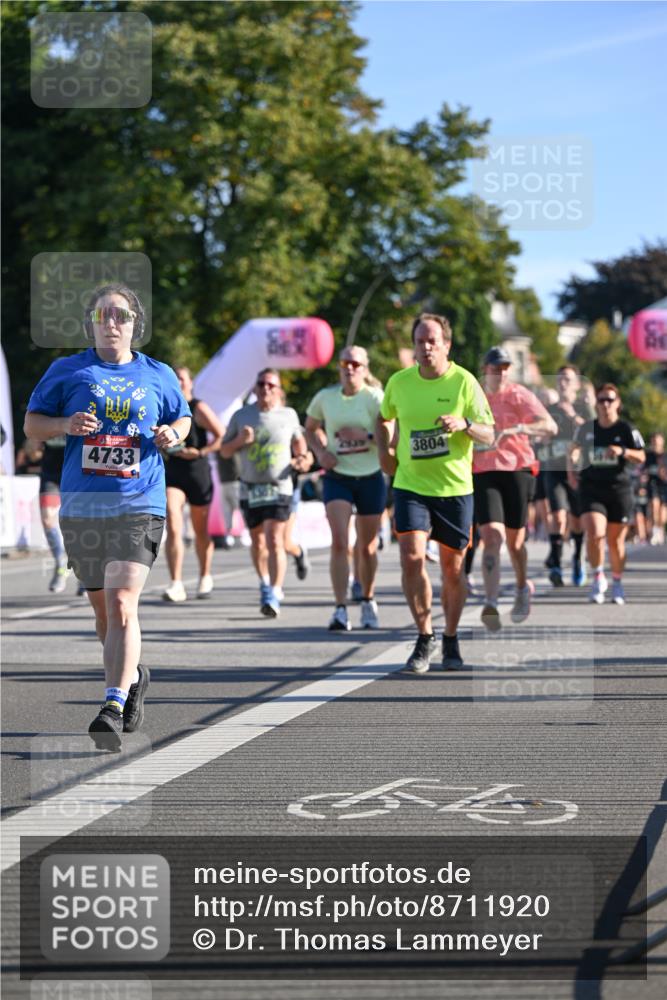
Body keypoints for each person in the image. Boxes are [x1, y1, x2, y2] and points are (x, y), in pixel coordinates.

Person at [24, 284, 191, 750]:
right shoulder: (67, 370)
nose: (112, 323)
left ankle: (112, 704)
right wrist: (63, 426)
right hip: (84, 508)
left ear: (135, 323)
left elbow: (183, 419)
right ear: (92, 324)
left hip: (140, 504)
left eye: (121, 315)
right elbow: (32, 425)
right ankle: (133, 675)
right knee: (104, 615)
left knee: (121, 603)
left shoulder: (157, 374)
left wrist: (171, 435)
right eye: (103, 316)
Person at [376, 313, 495, 672]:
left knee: (452, 570)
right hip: (411, 484)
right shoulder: (399, 382)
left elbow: (490, 433)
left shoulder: (464, 382)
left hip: (455, 489)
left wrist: (466, 425)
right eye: (419, 341)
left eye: (432, 341)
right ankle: (424, 635)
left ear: (446, 345)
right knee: (411, 557)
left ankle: (451, 637)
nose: (425, 348)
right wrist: (385, 452)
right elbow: (384, 418)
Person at [472, 346, 557, 631]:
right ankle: (492, 602)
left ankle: (522, 586)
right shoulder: (473, 395)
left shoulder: (519, 394)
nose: (502, 373)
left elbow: (550, 426)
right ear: (485, 369)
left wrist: (519, 428)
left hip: (517, 470)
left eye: (506, 367)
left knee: (515, 542)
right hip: (483, 471)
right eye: (496, 367)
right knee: (491, 537)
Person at [305, 345, 386, 631]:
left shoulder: (375, 397)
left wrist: (363, 435)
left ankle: (367, 599)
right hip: (338, 476)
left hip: (370, 476)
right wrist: (320, 451)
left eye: (355, 363)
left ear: (364, 369)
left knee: (367, 546)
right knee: (340, 541)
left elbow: (391, 434)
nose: (349, 368)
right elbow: (310, 427)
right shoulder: (326, 397)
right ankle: (340, 608)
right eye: (344, 363)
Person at [220, 368, 309, 617]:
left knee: (274, 538)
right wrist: (239, 442)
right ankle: (264, 581)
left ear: (279, 390)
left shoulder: (288, 415)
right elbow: (225, 451)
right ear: (255, 387)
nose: (265, 388)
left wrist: (301, 457)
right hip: (250, 487)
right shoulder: (242, 416)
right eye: (261, 384)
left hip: (279, 486)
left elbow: (299, 439)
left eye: (271, 385)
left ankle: (274, 591)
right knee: (258, 541)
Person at [569, 384, 645, 605]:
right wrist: (572, 468)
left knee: (615, 542)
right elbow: (572, 449)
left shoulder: (626, 429)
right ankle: (598, 576)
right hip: (591, 488)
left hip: (619, 489)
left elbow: (641, 456)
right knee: (594, 533)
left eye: (609, 400)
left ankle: (618, 582)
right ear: (596, 403)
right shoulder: (585, 429)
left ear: (618, 403)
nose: (605, 404)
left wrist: (623, 451)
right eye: (601, 400)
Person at [162, 366, 223, 602]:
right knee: (174, 523)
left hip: (197, 471)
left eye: (182, 378)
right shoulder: (165, 408)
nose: (178, 381)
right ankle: (176, 583)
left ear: (190, 383)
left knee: (200, 530)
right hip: (173, 471)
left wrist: (199, 452)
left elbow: (221, 436)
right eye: (174, 378)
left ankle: (205, 575)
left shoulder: (198, 408)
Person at [543, 365, 592, 587]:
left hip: (579, 472)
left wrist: (577, 420)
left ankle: (577, 557)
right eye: (560, 378)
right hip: (554, 469)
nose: (563, 382)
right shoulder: (549, 410)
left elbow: (595, 434)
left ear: (576, 384)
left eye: (568, 379)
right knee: (559, 516)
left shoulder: (584, 409)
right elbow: (541, 435)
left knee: (577, 520)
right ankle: (555, 562)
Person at [645, 432, 667, 544]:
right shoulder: (647, 456)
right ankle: (655, 531)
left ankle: (660, 529)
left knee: (662, 513)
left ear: (662, 441)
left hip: (664, 486)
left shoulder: (665, 456)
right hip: (652, 484)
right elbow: (641, 469)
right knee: (654, 505)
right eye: (653, 440)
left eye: (658, 440)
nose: (656, 443)